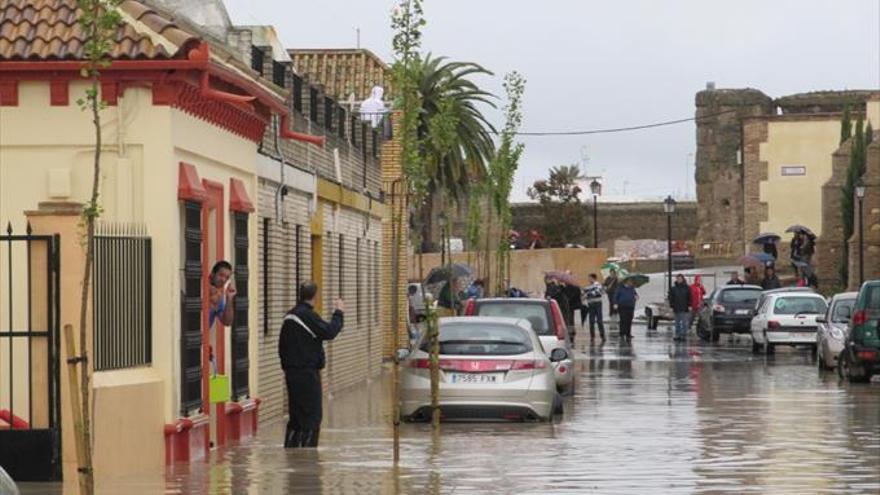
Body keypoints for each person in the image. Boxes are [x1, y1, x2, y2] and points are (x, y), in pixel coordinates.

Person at [278, 281, 344, 448]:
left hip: (291, 374)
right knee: (312, 418)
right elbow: (330, 332)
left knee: (296, 417)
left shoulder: (289, 316)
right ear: (315, 296)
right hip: (307, 374)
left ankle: (292, 454)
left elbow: (281, 347)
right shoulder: (307, 316)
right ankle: (308, 460)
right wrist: (339, 312)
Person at [208, 261, 236, 383]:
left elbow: (227, 321)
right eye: (221, 275)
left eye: (227, 277)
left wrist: (229, 298)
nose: (223, 279)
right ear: (213, 273)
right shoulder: (201, 286)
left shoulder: (220, 297)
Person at [582, 273, 606, 342]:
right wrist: (584, 295)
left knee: (599, 321)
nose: (588, 279)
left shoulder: (597, 284)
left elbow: (597, 292)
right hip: (591, 305)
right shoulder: (589, 286)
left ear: (593, 278)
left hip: (597, 304)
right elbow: (583, 292)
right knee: (591, 321)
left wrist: (587, 294)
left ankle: (602, 335)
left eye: (589, 278)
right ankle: (592, 336)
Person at [669, 274, 691, 341]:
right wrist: (672, 305)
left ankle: (683, 335)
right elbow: (671, 297)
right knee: (677, 323)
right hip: (676, 308)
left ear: (683, 279)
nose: (679, 280)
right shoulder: (673, 288)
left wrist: (689, 305)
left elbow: (689, 297)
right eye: (678, 279)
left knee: (684, 323)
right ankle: (677, 335)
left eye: (680, 279)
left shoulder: (687, 288)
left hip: (684, 308)